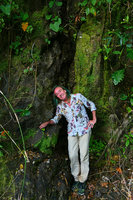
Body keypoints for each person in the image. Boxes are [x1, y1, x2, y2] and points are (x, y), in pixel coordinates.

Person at [39, 86, 96, 195]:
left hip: (84, 130)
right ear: (58, 97)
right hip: (72, 133)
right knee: (73, 155)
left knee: (83, 155)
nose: (60, 94)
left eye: (60, 91)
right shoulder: (60, 107)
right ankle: (76, 178)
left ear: (64, 90)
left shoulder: (78, 97)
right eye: (57, 94)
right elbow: (56, 118)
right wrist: (47, 122)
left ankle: (82, 181)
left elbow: (91, 105)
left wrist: (94, 119)